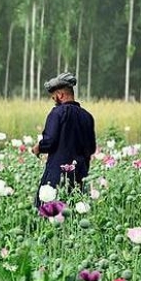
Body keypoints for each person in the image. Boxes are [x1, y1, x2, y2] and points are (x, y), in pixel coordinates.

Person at [31, 72, 96, 207]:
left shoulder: (57, 113)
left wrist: (38, 147)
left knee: (48, 212)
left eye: (54, 97)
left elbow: (49, 141)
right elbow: (91, 148)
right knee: (74, 214)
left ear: (60, 95)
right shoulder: (87, 117)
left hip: (57, 176)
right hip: (79, 175)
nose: (53, 100)